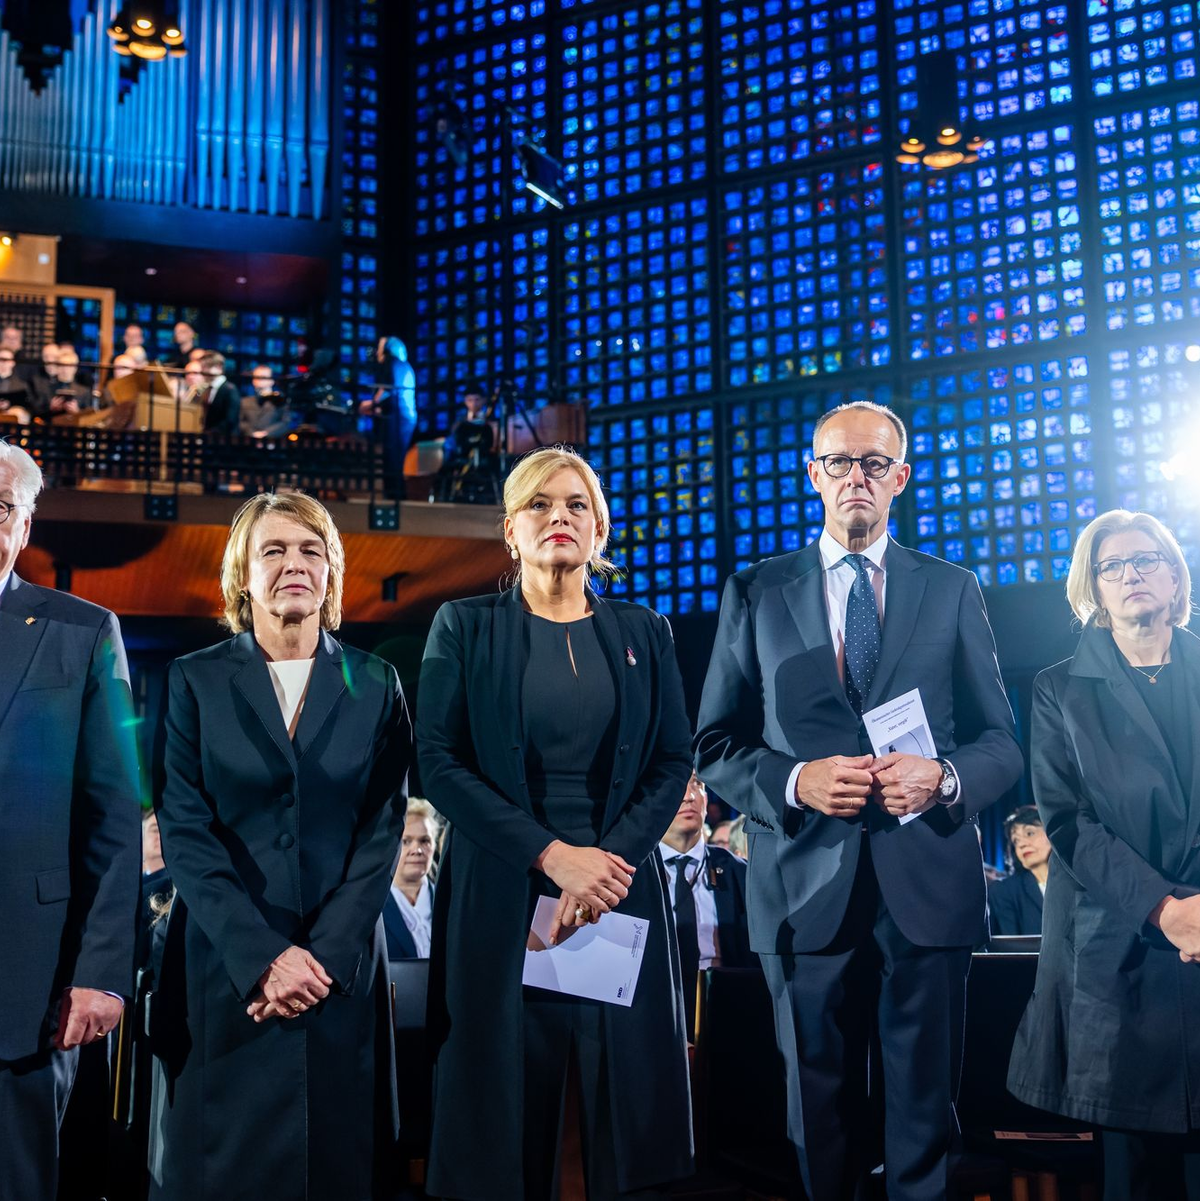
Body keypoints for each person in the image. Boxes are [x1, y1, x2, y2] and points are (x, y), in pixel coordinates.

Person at [694, 400, 1023, 1201]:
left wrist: (943, 777)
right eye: (839, 462)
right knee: (818, 1119)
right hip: (802, 888)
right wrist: (794, 781)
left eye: (874, 463)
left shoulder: (952, 588)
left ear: (899, 477)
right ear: (814, 474)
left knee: (925, 1119)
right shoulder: (756, 590)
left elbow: (1001, 743)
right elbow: (714, 744)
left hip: (927, 886)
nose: (856, 477)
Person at [418, 446, 694, 1200]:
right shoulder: (462, 625)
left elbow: (673, 759)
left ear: (600, 529)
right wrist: (553, 857)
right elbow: (437, 762)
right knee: (502, 1119)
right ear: (511, 529)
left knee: (624, 1111)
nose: (558, 517)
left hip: (618, 887)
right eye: (538, 504)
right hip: (503, 890)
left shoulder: (647, 629)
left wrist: (603, 864)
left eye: (576, 505)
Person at [149, 491, 413, 1201]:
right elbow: (185, 828)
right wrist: (264, 958)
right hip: (228, 969)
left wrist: (321, 957)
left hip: (337, 972)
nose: (294, 563)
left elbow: (382, 830)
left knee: (338, 1165)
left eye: (310, 550)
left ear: (331, 572)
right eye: (273, 549)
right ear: (242, 573)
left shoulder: (377, 683)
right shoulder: (194, 679)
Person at [1008, 510, 1200, 1201]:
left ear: (1175, 577)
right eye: (1112, 566)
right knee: (1137, 1173)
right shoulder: (1058, 688)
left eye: (1146, 559)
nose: (1131, 574)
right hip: (1119, 948)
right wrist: (1165, 909)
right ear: (1092, 588)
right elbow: (1071, 824)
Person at [0, 442, 141, 1200]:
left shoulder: (83, 630)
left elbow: (113, 816)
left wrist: (101, 973)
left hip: (27, 989)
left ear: (25, 525)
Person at [659, 773, 754, 1040]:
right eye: (678, 785)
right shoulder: (632, 876)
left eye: (697, 785)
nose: (689, 796)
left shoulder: (740, 874)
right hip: (654, 1014)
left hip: (728, 1014)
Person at [384, 799, 440, 960]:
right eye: (406, 841)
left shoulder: (452, 903)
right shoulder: (373, 909)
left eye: (424, 840)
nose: (417, 850)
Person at [361, 336, 417, 499]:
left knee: (391, 459)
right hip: (405, 417)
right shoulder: (405, 366)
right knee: (397, 460)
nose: (377, 352)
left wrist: (370, 404)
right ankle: (397, 495)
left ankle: (393, 497)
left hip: (398, 418)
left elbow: (387, 388)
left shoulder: (391, 362)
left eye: (380, 347)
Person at [987, 805, 1050, 936]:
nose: (1021, 844)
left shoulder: (1080, 882)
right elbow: (1010, 945)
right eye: (1015, 840)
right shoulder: (1003, 892)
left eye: (1030, 833)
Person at [239, 364, 290, 438]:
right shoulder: (244, 402)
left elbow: (285, 422)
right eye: (257, 377)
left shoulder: (280, 400)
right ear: (253, 380)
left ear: (272, 380)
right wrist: (252, 433)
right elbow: (240, 422)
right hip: (249, 440)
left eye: (264, 377)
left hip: (273, 440)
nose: (260, 380)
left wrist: (266, 433)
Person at [0, 347, 32, 421]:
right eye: (1, 359)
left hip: (13, 413)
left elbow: (28, 405)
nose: (3, 363)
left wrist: (10, 404)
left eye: (6, 360)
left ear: (13, 363)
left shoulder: (22, 384)